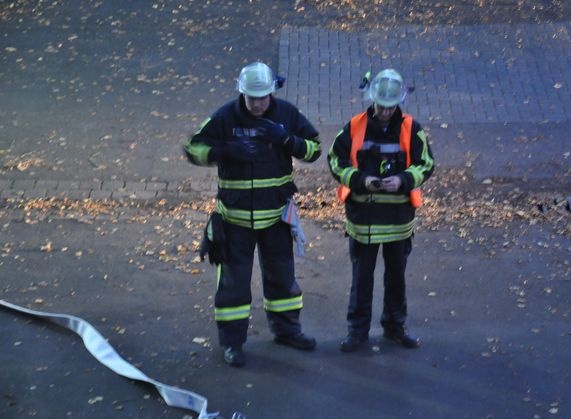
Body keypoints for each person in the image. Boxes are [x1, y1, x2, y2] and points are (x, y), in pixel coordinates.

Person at [183, 62, 322, 367]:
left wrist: (286, 139)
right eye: (252, 98)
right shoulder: (225, 116)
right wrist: (224, 151)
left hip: (276, 218)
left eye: (262, 97)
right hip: (235, 221)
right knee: (233, 286)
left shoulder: (287, 114)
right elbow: (193, 148)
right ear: (242, 93)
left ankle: (287, 331)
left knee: (282, 279)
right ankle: (232, 343)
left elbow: (314, 149)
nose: (257, 103)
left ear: (272, 92)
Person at [327, 69, 435, 353]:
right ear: (372, 100)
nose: (385, 112)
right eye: (381, 105)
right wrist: (362, 181)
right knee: (361, 280)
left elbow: (426, 164)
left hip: (398, 220)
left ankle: (395, 327)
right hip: (363, 220)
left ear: (399, 102)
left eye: (390, 106)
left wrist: (403, 180)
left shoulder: (412, 128)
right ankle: (357, 331)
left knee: (396, 278)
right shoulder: (354, 127)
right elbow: (336, 161)